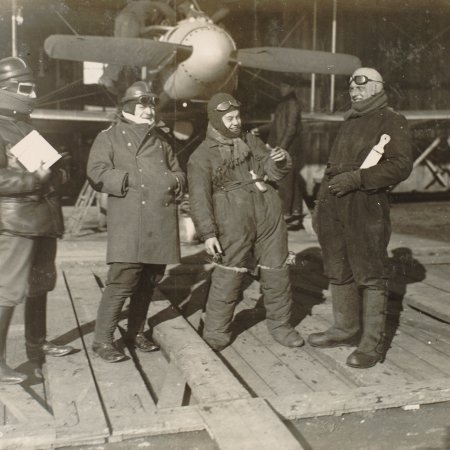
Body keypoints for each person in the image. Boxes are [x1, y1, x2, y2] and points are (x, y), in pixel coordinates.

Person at [308, 67, 413, 369]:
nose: (353, 90)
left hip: (366, 205)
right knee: (338, 269)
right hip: (334, 204)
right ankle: (344, 330)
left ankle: (371, 346)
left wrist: (357, 179)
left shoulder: (393, 121)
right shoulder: (350, 120)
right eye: (351, 86)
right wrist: (320, 206)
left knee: (370, 273)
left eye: (360, 85)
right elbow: (332, 169)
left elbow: (400, 166)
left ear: (378, 88)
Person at [187, 92, 304, 351]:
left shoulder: (250, 140)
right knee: (229, 272)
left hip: (268, 213)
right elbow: (199, 199)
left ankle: (281, 325)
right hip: (232, 220)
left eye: (237, 116)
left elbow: (272, 172)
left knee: (278, 269)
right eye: (229, 118)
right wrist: (208, 234)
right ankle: (217, 330)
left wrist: (281, 160)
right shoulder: (201, 156)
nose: (235, 122)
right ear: (216, 120)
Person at [87, 80, 186, 363]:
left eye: (152, 105)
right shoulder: (109, 136)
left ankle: (134, 332)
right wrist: (131, 181)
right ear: (128, 106)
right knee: (122, 280)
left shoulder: (161, 139)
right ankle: (103, 340)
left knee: (148, 281)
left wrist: (174, 180)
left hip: (159, 219)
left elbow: (177, 172)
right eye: (143, 104)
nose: (149, 110)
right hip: (130, 219)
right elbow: (95, 171)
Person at [0, 57, 73, 384]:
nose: (31, 94)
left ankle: (36, 344)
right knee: (7, 291)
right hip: (16, 223)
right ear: (5, 89)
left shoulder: (25, 127)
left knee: (40, 284)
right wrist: (36, 179)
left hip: (43, 219)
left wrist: (58, 169)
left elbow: (46, 173)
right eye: (24, 87)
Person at [252, 78, 303, 226]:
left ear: (292, 87)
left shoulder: (293, 104)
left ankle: (286, 215)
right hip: (283, 146)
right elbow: (275, 125)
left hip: (289, 148)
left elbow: (291, 128)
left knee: (284, 180)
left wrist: (281, 147)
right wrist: (260, 129)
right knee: (292, 180)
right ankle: (295, 214)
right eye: (281, 84)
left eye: (285, 84)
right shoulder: (283, 103)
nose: (282, 87)